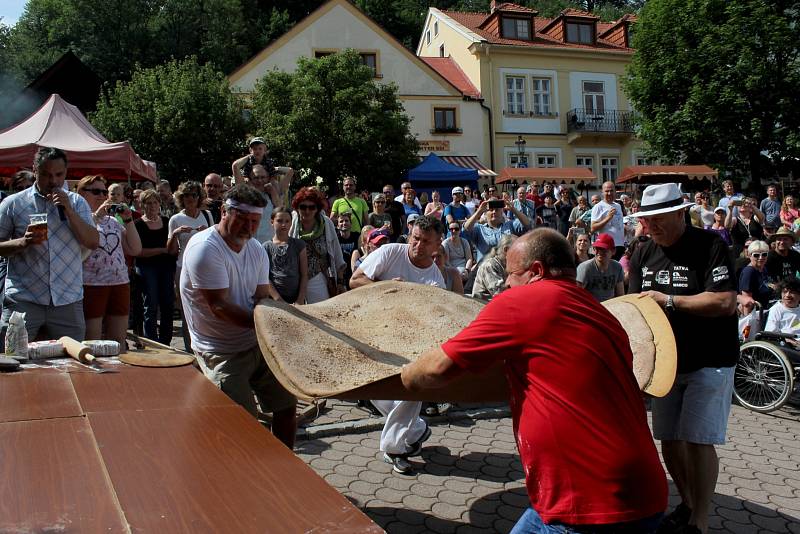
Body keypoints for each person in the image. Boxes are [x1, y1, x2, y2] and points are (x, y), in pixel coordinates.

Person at [402, 227, 667, 533]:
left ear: (536, 271)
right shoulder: (600, 312)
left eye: (511, 275)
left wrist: (403, 376)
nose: (505, 283)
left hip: (589, 502)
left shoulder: (523, 301)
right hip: (639, 490)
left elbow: (436, 369)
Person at [628, 183, 738, 534]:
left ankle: (700, 523)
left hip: (710, 359)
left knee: (697, 440)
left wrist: (670, 300)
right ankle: (688, 504)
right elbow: (634, 309)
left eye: (658, 219)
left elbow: (724, 302)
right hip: (666, 363)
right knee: (671, 440)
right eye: (646, 220)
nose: (650, 227)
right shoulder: (643, 251)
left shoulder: (711, 245)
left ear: (681, 213)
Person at [180, 184, 293, 446]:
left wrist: (281, 318)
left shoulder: (255, 249)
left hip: (255, 343)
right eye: (242, 219)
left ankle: (287, 467)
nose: (249, 227)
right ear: (223, 212)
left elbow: (261, 297)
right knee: (243, 423)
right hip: (221, 351)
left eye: (255, 221)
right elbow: (219, 307)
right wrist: (268, 326)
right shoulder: (206, 249)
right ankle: (241, 477)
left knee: (286, 405)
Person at [350, 215, 445, 474]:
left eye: (426, 241)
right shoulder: (391, 252)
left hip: (411, 345)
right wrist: (387, 287)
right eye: (415, 238)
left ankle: (393, 448)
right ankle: (416, 429)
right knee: (372, 389)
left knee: (412, 392)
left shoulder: (436, 281)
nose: (418, 245)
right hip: (371, 332)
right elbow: (355, 280)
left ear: (437, 244)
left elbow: (435, 319)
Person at [0, 147, 99, 348]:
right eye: (46, 174)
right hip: (24, 299)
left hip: (67, 300)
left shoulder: (77, 203)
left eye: (59, 174)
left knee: (72, 367)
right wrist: (22, 242)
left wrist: (69, 211)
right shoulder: (14, 203)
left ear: (66, 172)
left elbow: (93, 242)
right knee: (12, 361)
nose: (53, 181)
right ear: (34, 170)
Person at [77, 175, 141, 351]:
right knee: (92, 340)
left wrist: (128, 220)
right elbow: (80, 250)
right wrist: (96, 217)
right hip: (92, 284)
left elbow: (135, 249)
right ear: (81, 194)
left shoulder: (113, 221)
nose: (102, 196)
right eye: (96, 191)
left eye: (104, 191)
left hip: (120, 283)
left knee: (118, 341)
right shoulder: (78, 219)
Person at [135, 189, 178, 345]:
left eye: (155, 202)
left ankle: (166, 342)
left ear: (160, 204)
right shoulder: (137, 224)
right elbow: (138, 252)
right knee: (150, 304)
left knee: (167, 304)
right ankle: (151, 342)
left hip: (166, 267)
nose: (152, 206)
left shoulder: (167, 222)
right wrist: (162, 250)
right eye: (148, 203)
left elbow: (173, 247)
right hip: (147, 268)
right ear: (142, 205)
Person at [290, 187, 346, 303]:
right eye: (303, 207)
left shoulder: (326, 223)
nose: (307, 211)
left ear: (317, 209)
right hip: (295, 279)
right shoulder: (291, 223)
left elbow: (337, 254)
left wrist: (340, 282)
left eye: (311, 207)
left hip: (319, 279)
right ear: (297, 208)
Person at [463, 198, 530, 263]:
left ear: (502, 212)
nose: (494, 212)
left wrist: (513, 209)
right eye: (491, 210)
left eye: (497, 210)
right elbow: (466, 229)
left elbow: (528, 224)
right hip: (486, 270)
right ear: (485, 214)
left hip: (506, 268)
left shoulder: (510, 225)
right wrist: (479, 211)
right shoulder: (479, 229)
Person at [265, 207, 307, 304]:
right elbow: (265, 277)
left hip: (296, 299)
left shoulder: (299, 245)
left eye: (287, 221)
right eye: (279, 221)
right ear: (272, 222)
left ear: (291, 223)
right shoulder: (265, 247)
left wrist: (300, 299)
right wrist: (278, 300)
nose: (284, 224)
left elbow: (304, 275)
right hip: (275, 300)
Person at [576, 233, 624, 302]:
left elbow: (621, 295)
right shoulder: (585, 268)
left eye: (604, 249)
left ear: (613, 251)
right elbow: (577, 296)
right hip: (591, 308)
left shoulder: (617, 267)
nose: (600, 252)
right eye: (597, 248)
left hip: (611, 307)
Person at [471, 234, 515, 300]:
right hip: (483, 305)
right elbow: (500, 293)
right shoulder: (489, 265)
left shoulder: (507, 265)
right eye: (517, 249)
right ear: (506, 249)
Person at [591, 181, 625, 259]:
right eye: (607, 191)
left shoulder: (618, 206)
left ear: (615, 191)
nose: (609, 193)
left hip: (620, 245)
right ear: (602, 192)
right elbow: (593, 228)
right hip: (607, 246)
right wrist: (608, 218)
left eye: (611, 191)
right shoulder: (598, 207)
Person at [738, 240, 773, 312]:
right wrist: (748, 320)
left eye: (764, 254)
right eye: (756, 255)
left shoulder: (763, 269)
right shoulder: (749, 272)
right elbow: (747, 302)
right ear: (750, 255)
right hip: (755, 313)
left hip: (765, 309)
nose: (761, 257)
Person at [336, 212, 359, 288]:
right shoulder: (335, 239)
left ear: (351, 224)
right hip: (340, 274)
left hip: (354, 272)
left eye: (346, 220)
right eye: (341, 221)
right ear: (337, 226)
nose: (344, 223)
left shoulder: (357, 236)